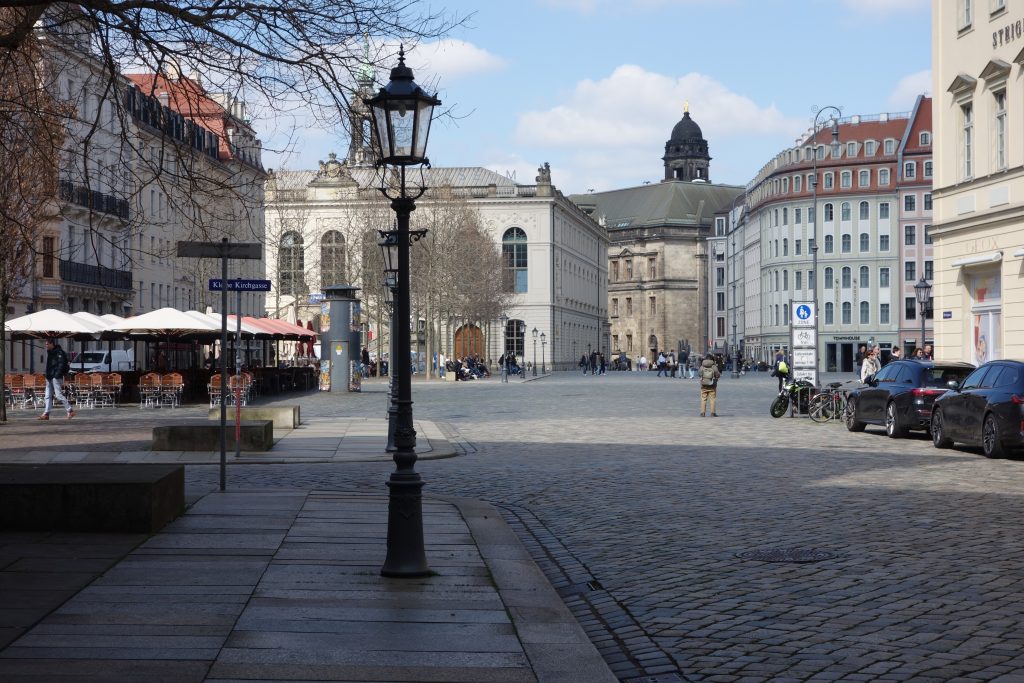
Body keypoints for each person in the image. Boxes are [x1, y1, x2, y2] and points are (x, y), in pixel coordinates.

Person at [39, 339, 74, 421]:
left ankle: (70, 410)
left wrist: (57, 375)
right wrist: (47, 374)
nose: (46, 345)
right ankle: (46, 414)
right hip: (49, 376)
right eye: (46, 344)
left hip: (55, 377)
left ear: (52, 344)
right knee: (47, 396)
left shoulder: (59, 352)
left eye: (47, 344)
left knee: (58, 395)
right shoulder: (50, 352)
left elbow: (61, 364)